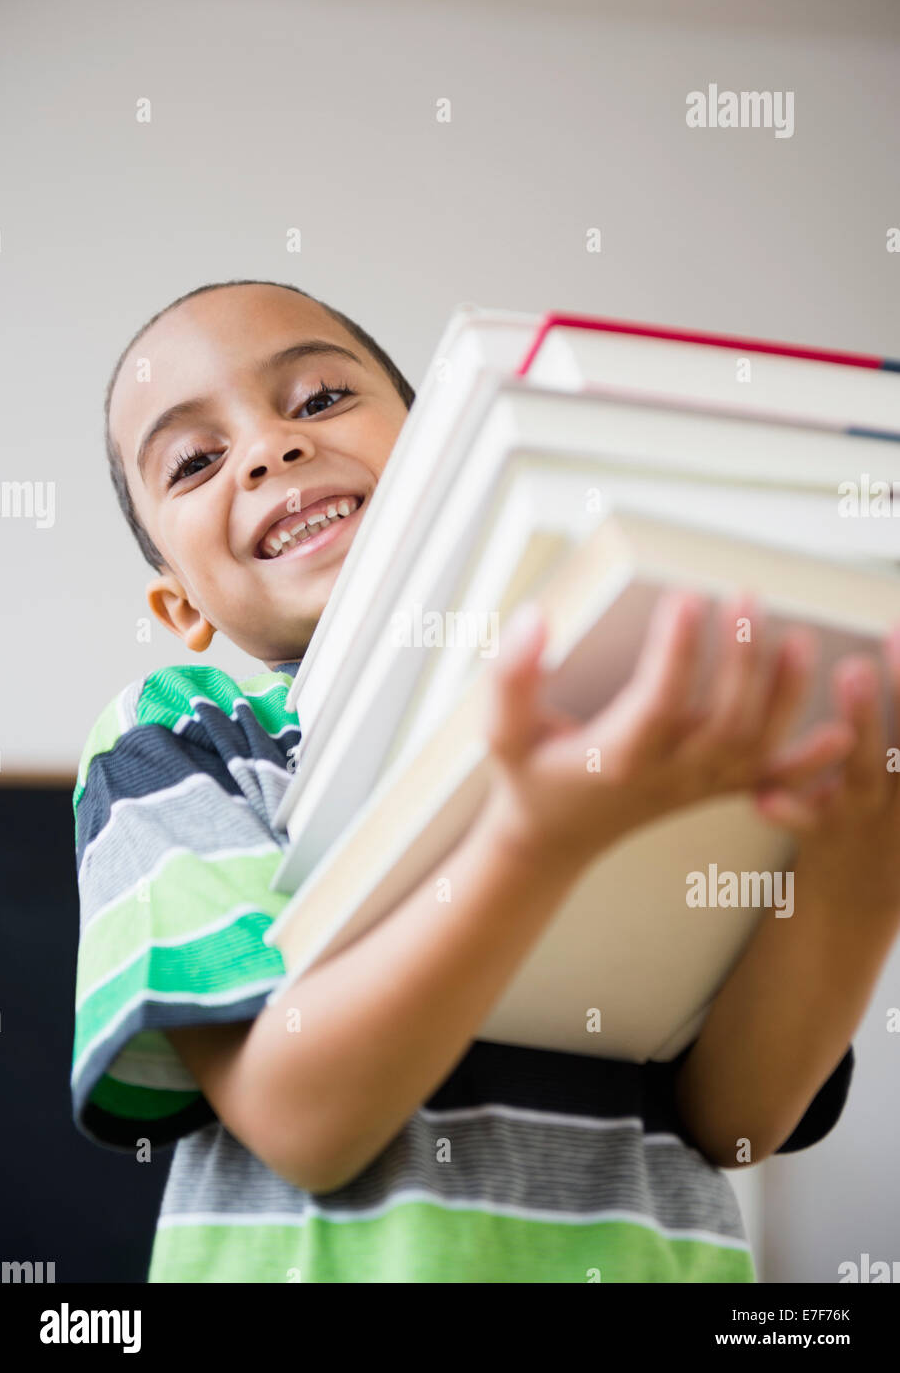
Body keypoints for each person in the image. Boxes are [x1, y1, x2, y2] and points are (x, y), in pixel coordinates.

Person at [71, 279, 900, 1282]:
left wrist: (866, 833)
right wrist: (533, 840)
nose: (269, 449)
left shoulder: (640, 688)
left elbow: (735, 1125)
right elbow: (304, 1121)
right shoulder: (183, 731)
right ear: (181, 604)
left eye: (321, 399)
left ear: (448, 454)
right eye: (196, 461)